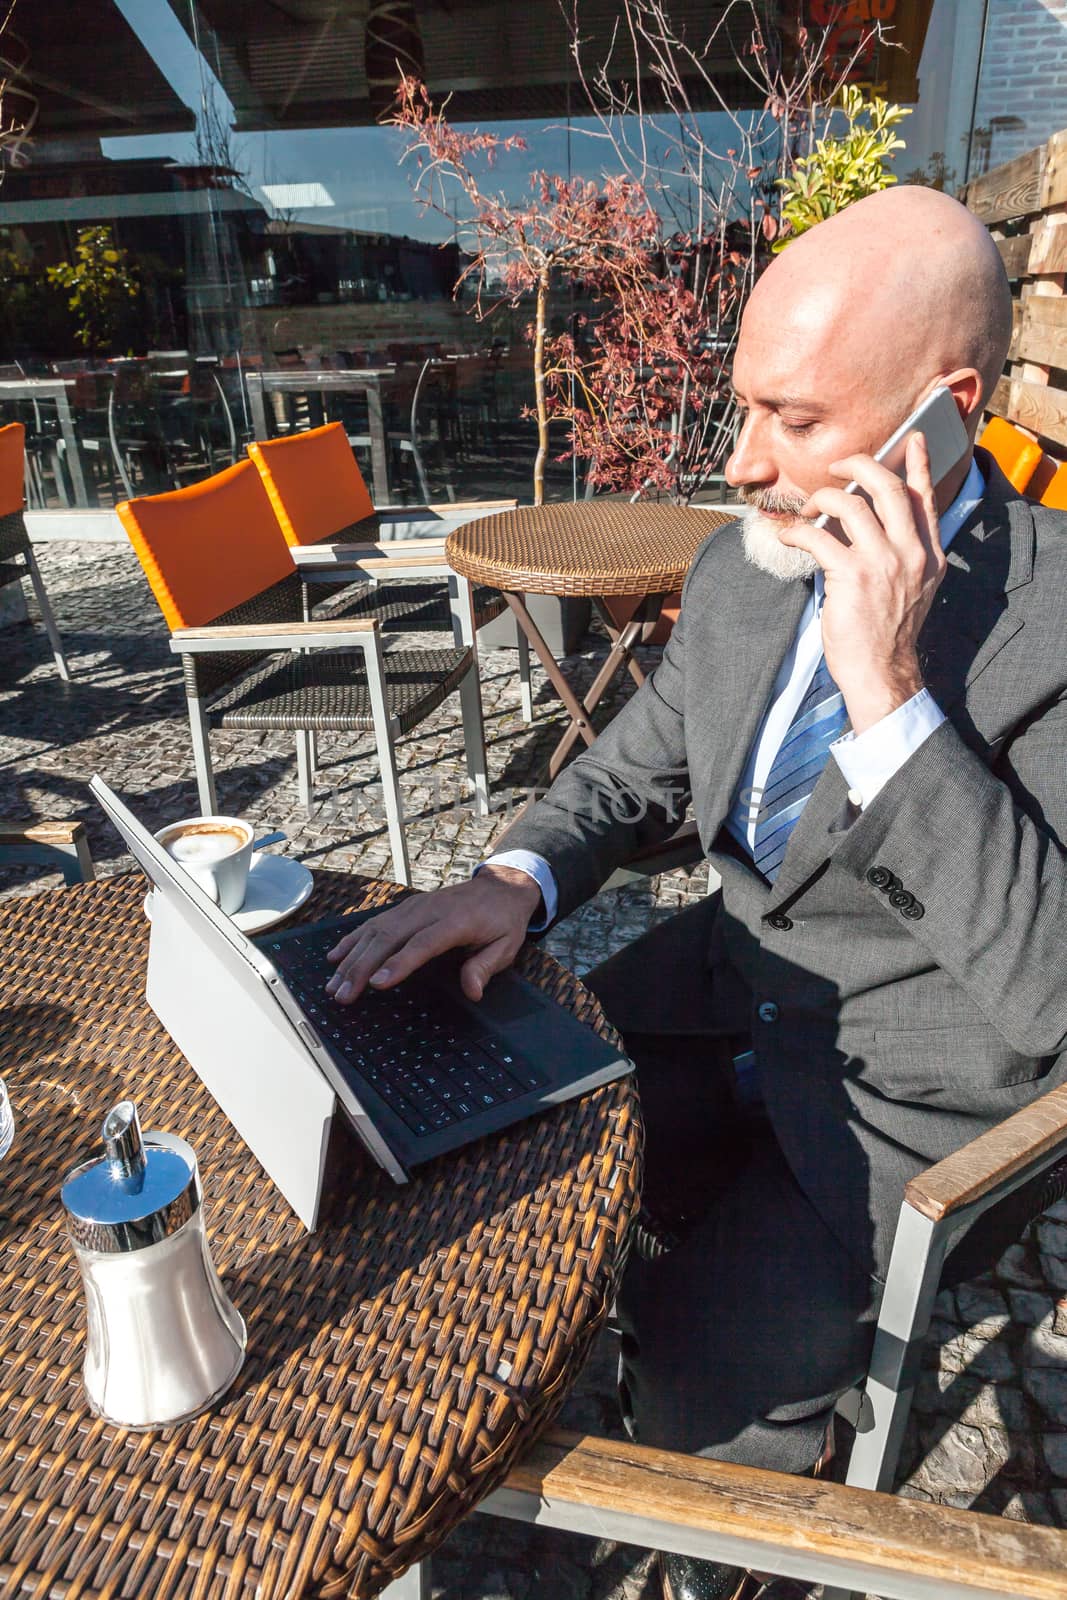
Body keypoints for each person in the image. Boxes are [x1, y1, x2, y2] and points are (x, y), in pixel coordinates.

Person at [325, 186, 1067, 1600]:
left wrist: (891, 694)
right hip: (718, 996)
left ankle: (723, 1532)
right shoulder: (741, 568)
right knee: (454, 1137)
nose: (740, 464)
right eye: (744, 410)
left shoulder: (1060, 625)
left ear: (948, 414)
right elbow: (641, 763)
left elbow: (1053, 997)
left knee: (696, 1407)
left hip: (896, 1125)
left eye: (797, 423)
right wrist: (514, 878)